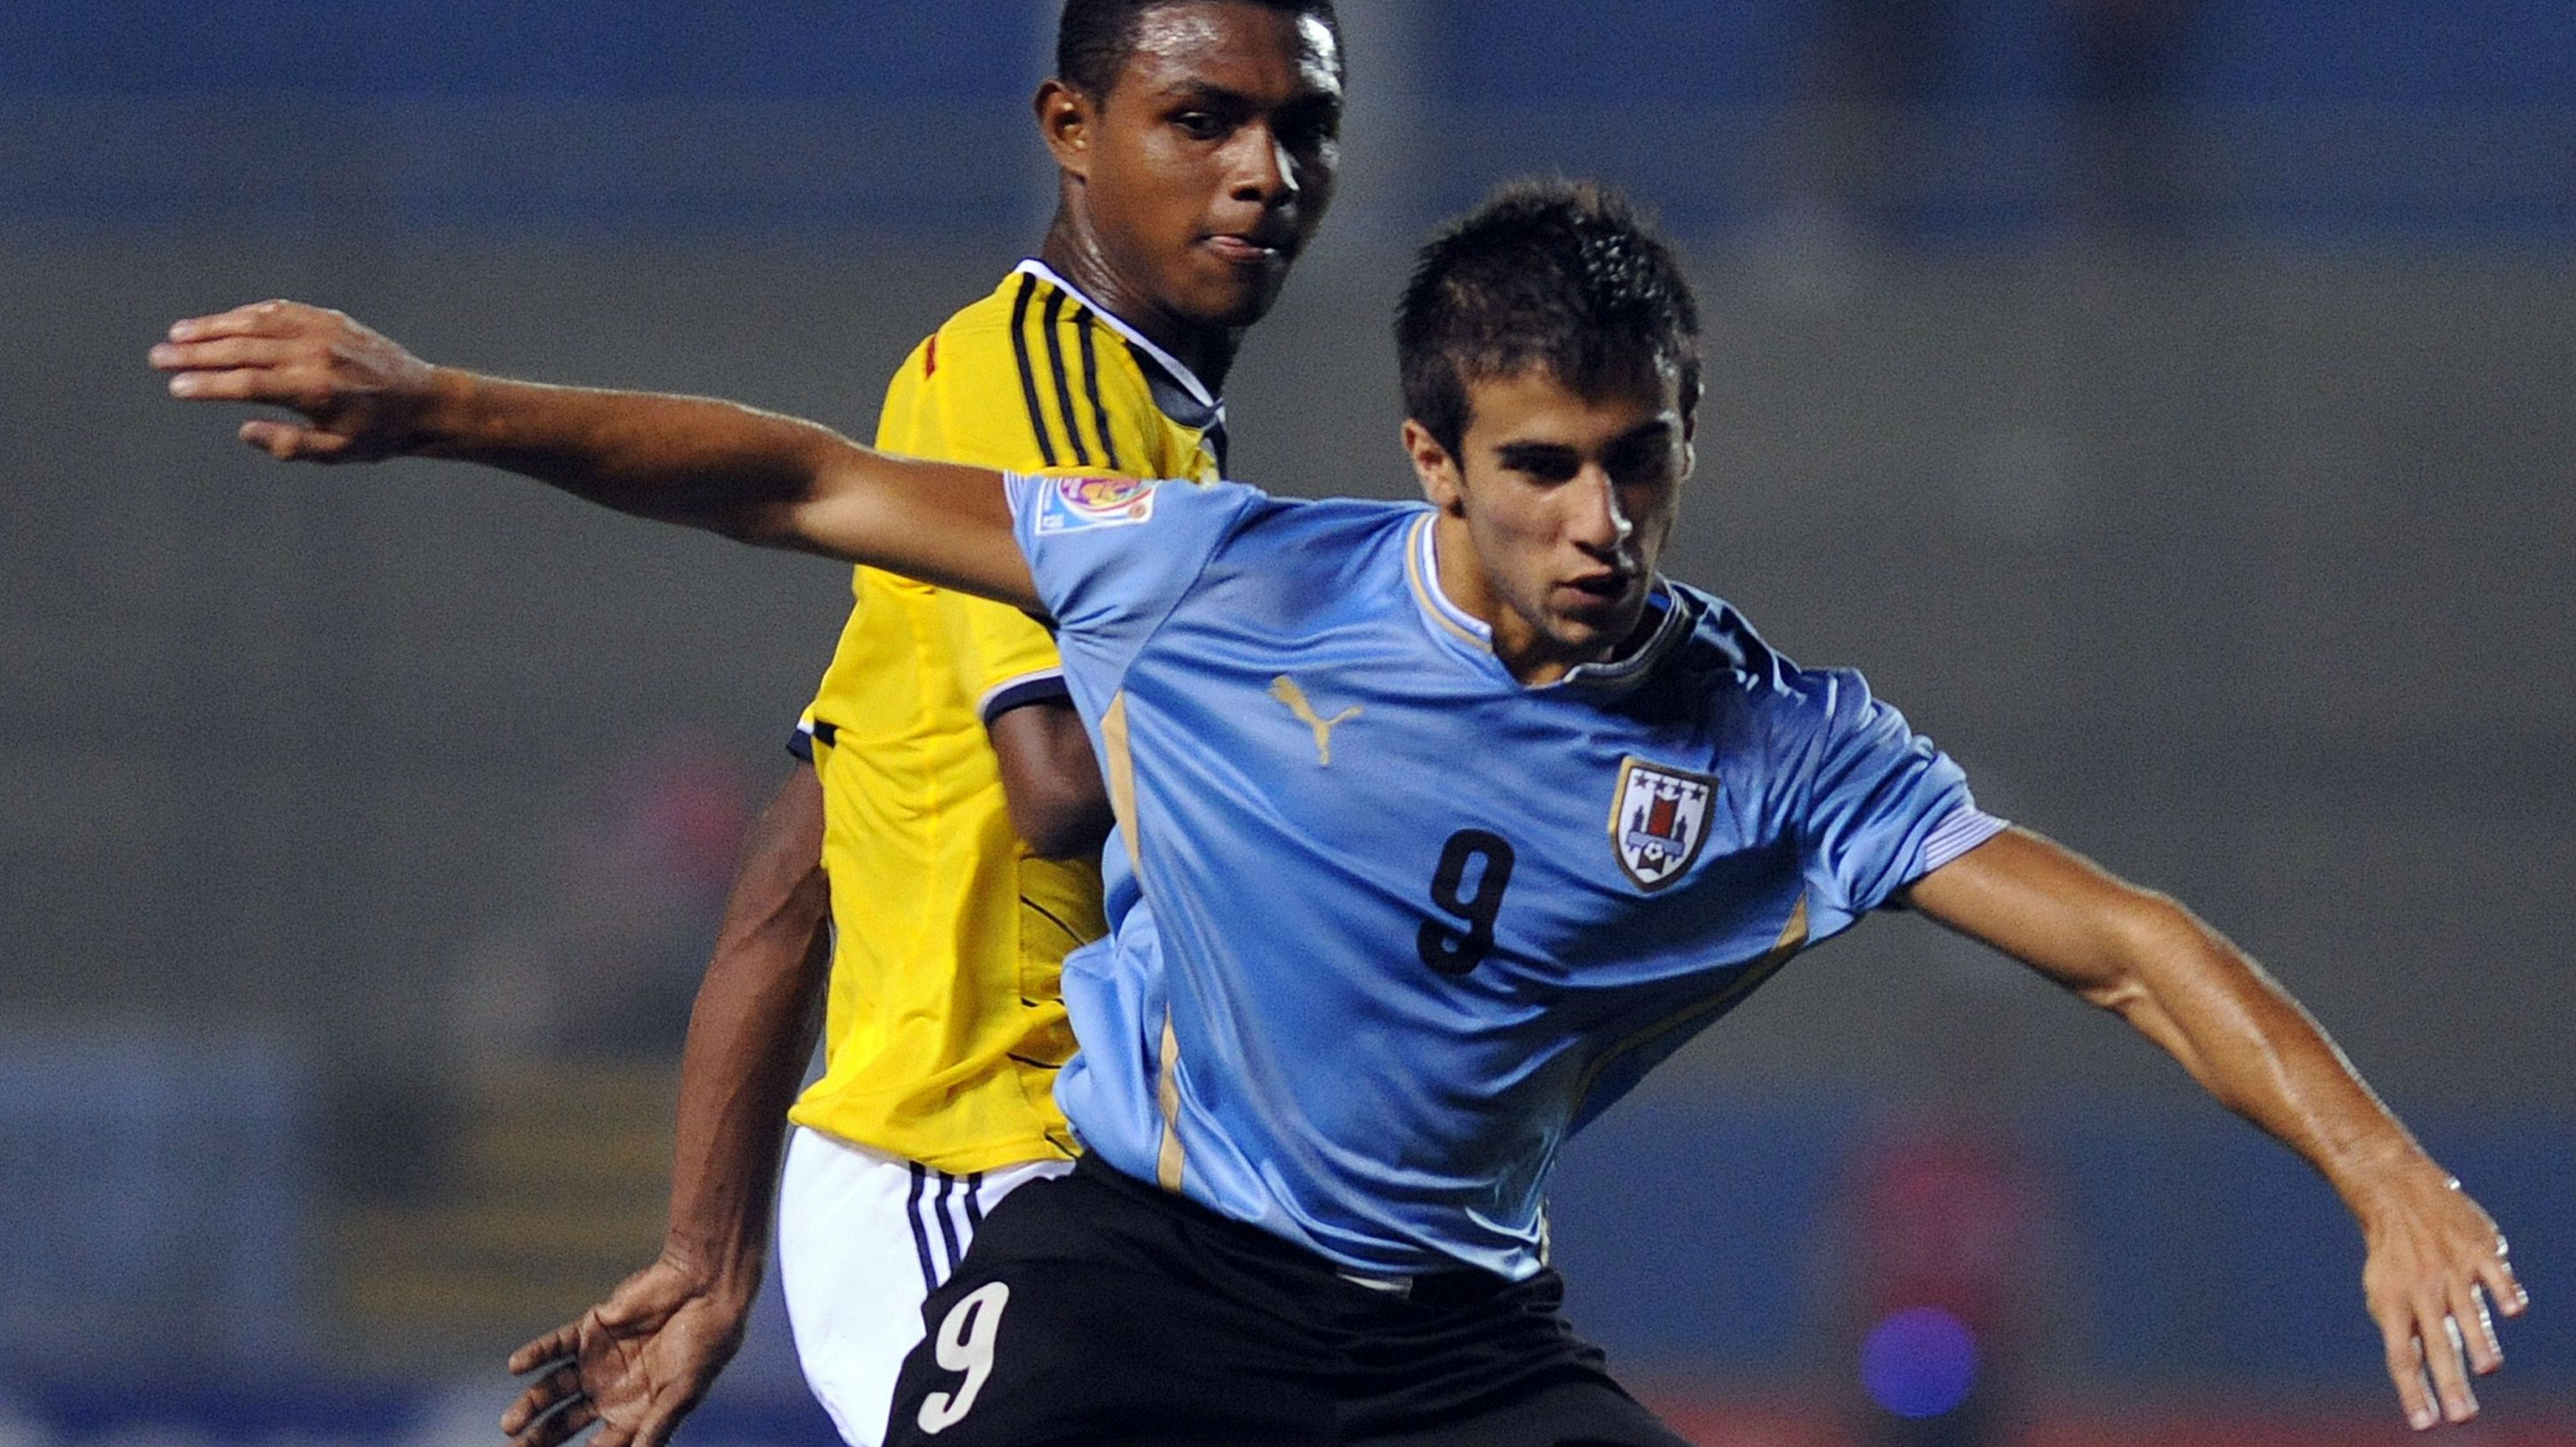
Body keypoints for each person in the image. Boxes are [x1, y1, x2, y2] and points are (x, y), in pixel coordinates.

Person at [155, 181, 2526, 1443]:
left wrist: (2385, 1174)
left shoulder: (1778, 749)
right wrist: (441, 400)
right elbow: (800, 480)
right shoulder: (1220, 582)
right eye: (1539, 467)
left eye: (1637, 460)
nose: (1597, 519)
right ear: (1432, 460)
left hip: (1453, 1347)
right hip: (1143, 1271)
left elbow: (2121, 940)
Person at [322, 5, 1342, 1447]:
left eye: (1304, 127)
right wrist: (1351, 725)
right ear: (1070, 130)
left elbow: (797, 869)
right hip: (975, 1174)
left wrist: (710, 1249)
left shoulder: (1138, 430)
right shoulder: (1024, 380)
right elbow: (1057, 781)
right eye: (1204, 119)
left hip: (1066, 1189)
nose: (1265, 170)